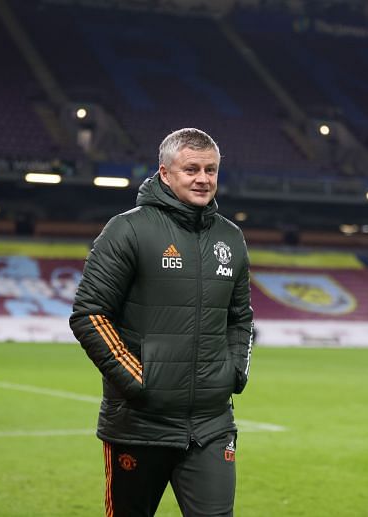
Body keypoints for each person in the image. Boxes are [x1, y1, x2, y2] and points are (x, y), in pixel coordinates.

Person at [70, 128, 253, 517]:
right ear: (165, 173)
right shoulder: (128, 229)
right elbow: (89, 313)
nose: (203, 179)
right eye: (191, 169)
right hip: (139, 424)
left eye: (211, 170)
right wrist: (139, 380)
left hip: (211, 423)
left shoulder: (231, 238)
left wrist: (234, 371)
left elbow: (240, 318)